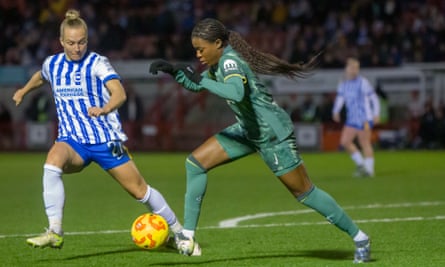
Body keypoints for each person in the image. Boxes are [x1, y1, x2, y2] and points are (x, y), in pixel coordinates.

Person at [149, 18, 371, 263]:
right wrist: (174, 73)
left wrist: (201, 79)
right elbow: (199, 86)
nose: (198, 54)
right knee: (195, 163)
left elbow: (235, 92)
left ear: (218, 43)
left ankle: (360, 238)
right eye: (195, 50)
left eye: (201, 49)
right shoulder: (218, 62)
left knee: (305, 192)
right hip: (249, 129)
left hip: (272, 133)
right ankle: (188, 236)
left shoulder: (230, 61)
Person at [12, 9, 189, 252]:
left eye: (82, 42)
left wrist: (105, 108)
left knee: (140, 191)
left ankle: (179, 232)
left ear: (87, 40)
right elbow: (41, 76)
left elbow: (119, 92)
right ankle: (55, 231)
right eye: (72, 43)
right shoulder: (52, 64)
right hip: (73, 142)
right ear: (61, 41)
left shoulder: (97, 63)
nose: (77, 48)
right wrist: (23, 91)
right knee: (52, 162)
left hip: (106, 141)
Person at [332, 57, 380, 177]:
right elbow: (340, 99)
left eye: (356, 68)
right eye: (352, 68)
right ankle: (361, 165)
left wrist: (376, 114)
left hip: (365, 118)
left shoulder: (363, 82)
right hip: (351, 119)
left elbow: (374, 98)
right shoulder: (343, 84)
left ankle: (369, 170)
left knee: (364, 142)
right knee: (345, 142)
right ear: (346, 69)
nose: (354, 71)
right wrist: (335, 111)